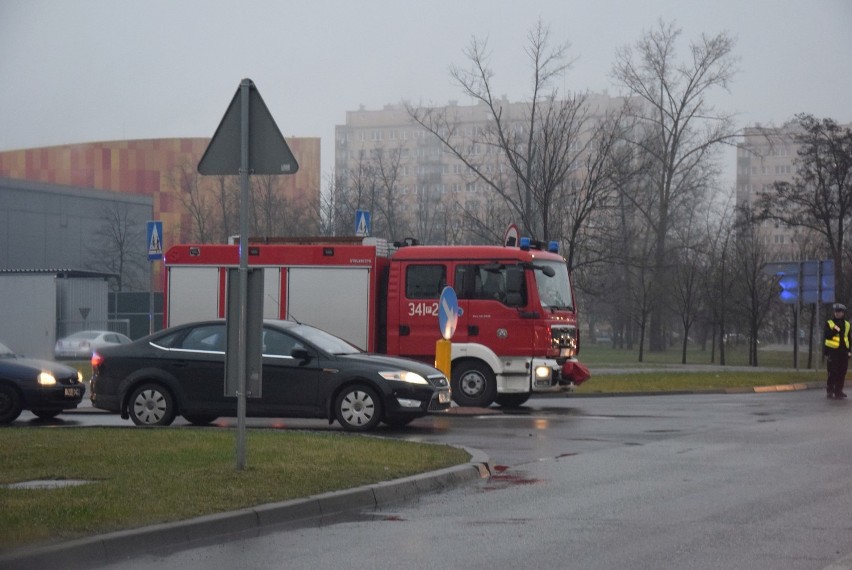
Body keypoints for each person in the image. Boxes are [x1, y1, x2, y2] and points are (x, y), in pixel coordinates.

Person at [823, 303, 851, 399]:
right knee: (832, 371)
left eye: (839, 312)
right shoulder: (829, 323)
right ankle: (830, 390)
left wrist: (849, 351)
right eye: (836, 311)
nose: (837, 313)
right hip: (833, 351)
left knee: (842, 372)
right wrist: (836, 329)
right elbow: (827, 336)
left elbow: (848, 338)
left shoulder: (847, 324)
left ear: (843, 313)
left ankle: (839, 391)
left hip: (843, 352)